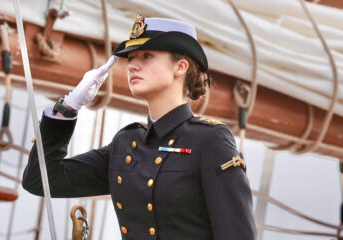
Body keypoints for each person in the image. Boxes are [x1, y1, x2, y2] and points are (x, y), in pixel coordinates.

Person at [23, 15, 256, 240]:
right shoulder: (126, 144)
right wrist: (68, 107)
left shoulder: (210, 140)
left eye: (146, 55)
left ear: (181, 67)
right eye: (131, 58)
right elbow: (41, 179)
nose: (133, 65)